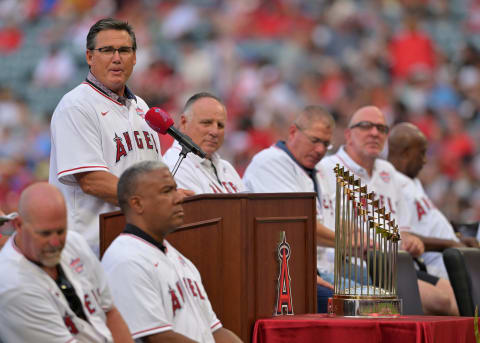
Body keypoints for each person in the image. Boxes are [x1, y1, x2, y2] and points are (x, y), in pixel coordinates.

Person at [318, 106, 458, 315]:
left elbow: (402, 233)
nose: (374, 133)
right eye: (366, 126)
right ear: (348, 134)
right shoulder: (325, 170)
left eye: (381, 128)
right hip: (349, 265)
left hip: (395, 264)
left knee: (460, 300)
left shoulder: (388, 173)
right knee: (440, 302)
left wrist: (411, 241)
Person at [49, 18, 164, 255]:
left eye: (124, 50)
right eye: (106, 50)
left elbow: (154, 173)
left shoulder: (141, 107)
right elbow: (92, 180)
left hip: (139, 242)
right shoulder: (76, 105)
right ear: (89, 57)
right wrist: (153, 199)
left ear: (134, 57)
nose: (116, 57)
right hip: (90, 248)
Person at [102, 161, 242, 342]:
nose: (179, 198)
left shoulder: (180, 259)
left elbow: (215, 331)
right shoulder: (125, 259)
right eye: (167, 191)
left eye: (175, 189)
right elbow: (159, 339)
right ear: (137, 204)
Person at [0, 182, 132, 342]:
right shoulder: (14, 287)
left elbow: (110, 312)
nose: (55, 242)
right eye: (45, 234)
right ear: (19, 225)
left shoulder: (73, 242)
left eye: (60, 231)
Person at [242, 105, 339, 312]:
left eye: (326, 144)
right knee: (362, 302)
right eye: (315, 140)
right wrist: (351, 243)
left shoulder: (318, 170)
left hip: (321, 268)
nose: (321, 150)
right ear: (293, 132)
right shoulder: (270, 162)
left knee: (383, 293)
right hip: (285, 272)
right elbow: (299, 226)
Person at [388, 122, 479, 280]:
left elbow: (428, 225)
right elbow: (400, 237)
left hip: (454, 257)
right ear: (404, 154)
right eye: (421, 153)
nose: (424, 161)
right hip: (438, 268)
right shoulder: (388, 184)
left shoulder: (412, 181)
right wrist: (449, 244)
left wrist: (457, 238)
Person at [164, 92, 245, 194]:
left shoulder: (227, 167)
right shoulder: (175, 164)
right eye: (206, 123)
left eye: (220, 125)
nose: (215, 132)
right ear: (184, 123)